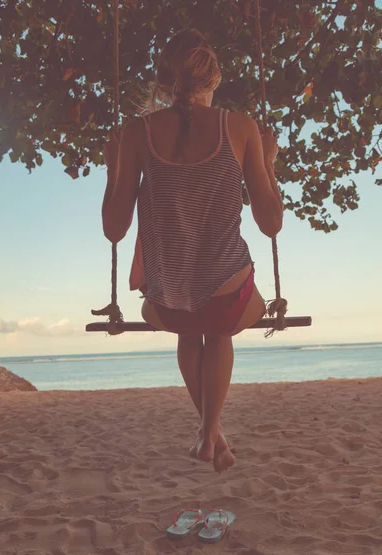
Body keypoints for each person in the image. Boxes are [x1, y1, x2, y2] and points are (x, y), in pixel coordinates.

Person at [102, 29, 283, 473]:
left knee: (189, 330)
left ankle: (210, 433)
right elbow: (271, 222)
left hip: (169, 300)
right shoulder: (240, 128)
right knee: (219, 330)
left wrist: (113, 171)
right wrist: (270, 166)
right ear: (214, 79)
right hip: (228, 291)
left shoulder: (137, 133)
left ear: (163, 83)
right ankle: (209, 433)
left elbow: (114, 229)